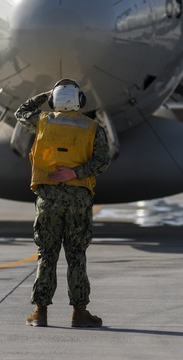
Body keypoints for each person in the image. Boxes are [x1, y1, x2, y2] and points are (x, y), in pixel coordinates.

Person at [15, 78, 111, 327]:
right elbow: (102, 161)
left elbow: (21, 112)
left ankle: (39, 313)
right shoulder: (93, 128)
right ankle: (79, 313)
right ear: (79, 101)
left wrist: (43, 95)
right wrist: (76, 173)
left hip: (49, 198)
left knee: (46, 255)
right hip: (78, 198)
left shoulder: (43, 121)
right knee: (76, 255)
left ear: (54, 100)